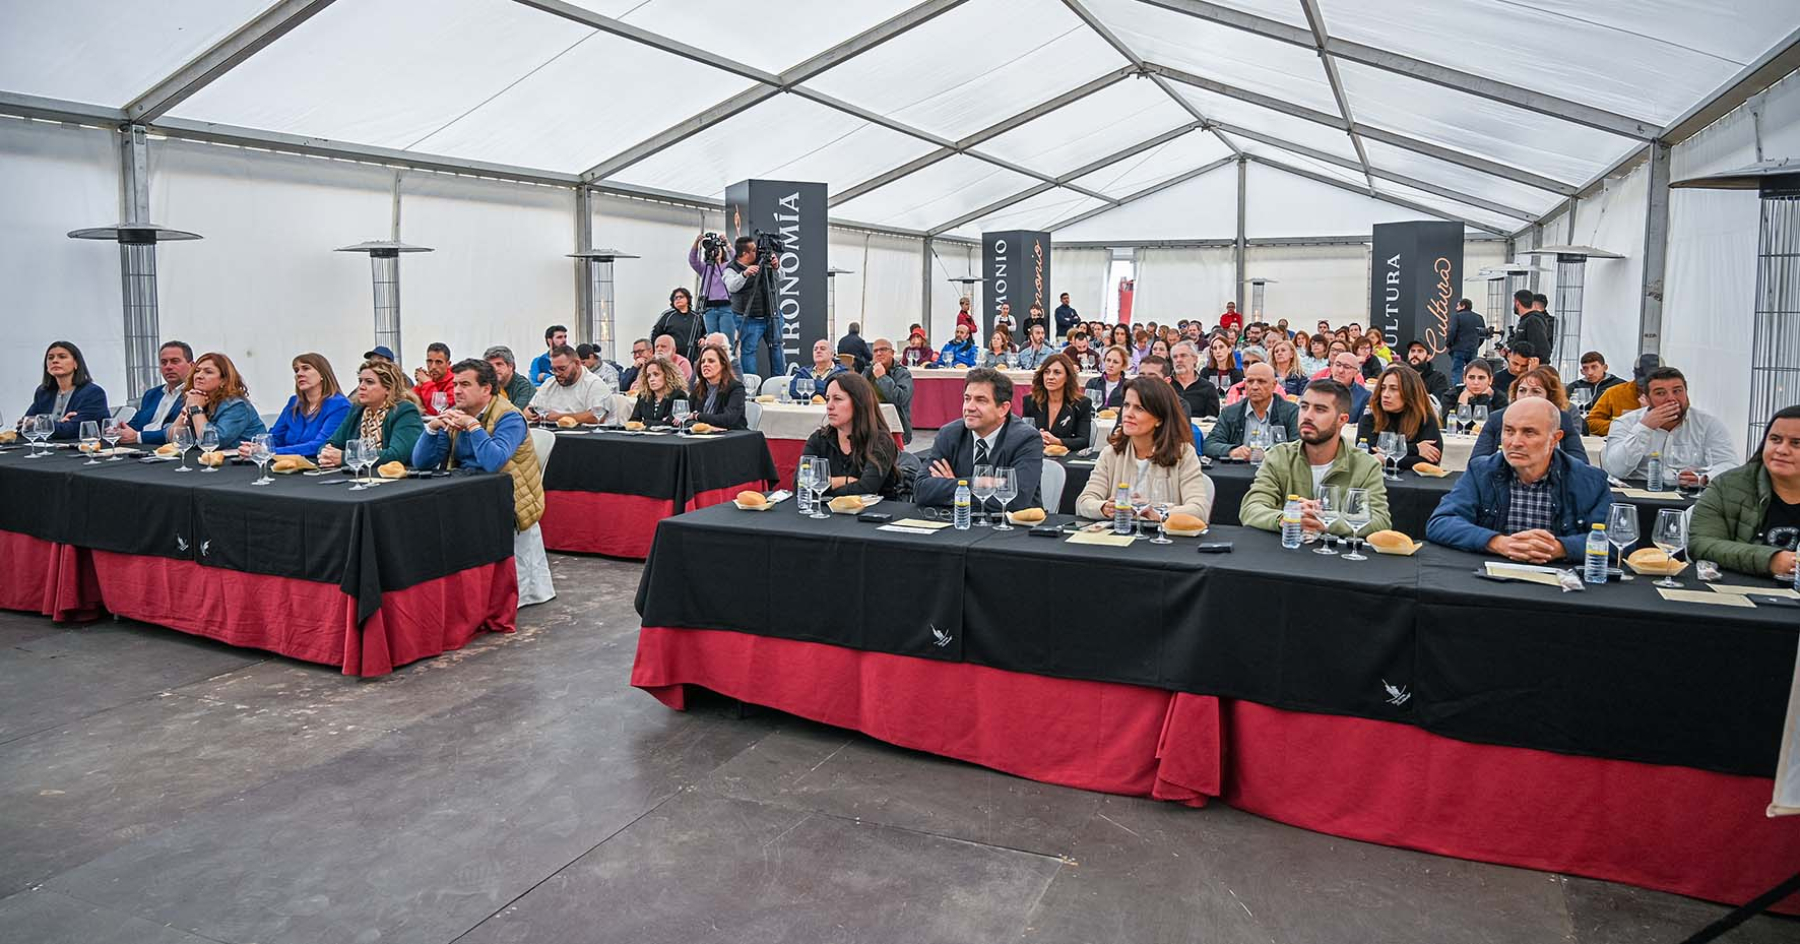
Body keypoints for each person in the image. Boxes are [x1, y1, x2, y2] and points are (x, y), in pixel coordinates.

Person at [411, 358, 552, 606]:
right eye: (455, 385)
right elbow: (422, 463)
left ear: (486, 389)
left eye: (465, 384)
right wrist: (433, 429)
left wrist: (474, 427)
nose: (456, 391)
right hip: (466, 490)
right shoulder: (459, 415)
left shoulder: (510, 417)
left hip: (509, 495)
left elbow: (494, 461)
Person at [1426, 398, 1610, 562]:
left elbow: (1614, 541)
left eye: (1529, 433)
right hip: (1492, 580)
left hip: (1563, 584)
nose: (1515, 442)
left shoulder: (1589, 480)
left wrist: (1560, 548)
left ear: (1555, 438)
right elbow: (1441, 522)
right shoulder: (1481, 471)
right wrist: (1498, 542)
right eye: (1509, 431)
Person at [1240, 380, 1390, 537]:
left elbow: (1380, 521)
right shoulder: (1279, 456)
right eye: (1304, 407)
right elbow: (1250, 508)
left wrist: (1326, 521)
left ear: (1342, 420)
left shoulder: (1365, 465)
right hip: (1286, 554)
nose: (1308, 416)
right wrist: (1285, 519)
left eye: (1320, 410)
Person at [1074, 378, 1214, 523]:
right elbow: (1083, 502)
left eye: (1139, 408)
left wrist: (1157, 511)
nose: (1128, 413)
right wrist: (1104, 507)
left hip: (1167, 542)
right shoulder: (1110, 453)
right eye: (1126, 405)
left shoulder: (1183, 453)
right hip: (1120, 539)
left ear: (1160, 418)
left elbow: (1199, 510)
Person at [1690, 406, 1800, 579]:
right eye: (1775, 439)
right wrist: (1770, 560)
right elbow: (1702, 544)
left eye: (1796, 443)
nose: (1781, 450)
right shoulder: (1726, 486)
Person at [915, 367, 1044, 511]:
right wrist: (974, 483)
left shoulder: (1026, 439)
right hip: (959, 524)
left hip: (1012, 528)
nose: (969, 407)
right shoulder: (949, 434)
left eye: (980, 400)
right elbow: (921, 490)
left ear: (1003, 408)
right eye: (967, 398)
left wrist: (952, 486)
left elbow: (1017, 499)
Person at [1600, 366, 1739, 485]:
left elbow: (1729, 465)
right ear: (1647, 399)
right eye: (1660, 393)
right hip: (1638, 497)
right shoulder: (1625, 423)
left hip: (1691, 497)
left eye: (1677, 391)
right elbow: (1616, 469)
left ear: (1686, 393)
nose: (1671, 398)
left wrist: (1705, 478)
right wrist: (1645, 428)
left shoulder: (1708, 424)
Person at [801, 372, 901, 498]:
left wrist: (821, 487)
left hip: (871, 514)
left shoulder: (880, 441)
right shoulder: (819, 439)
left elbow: (866, 489)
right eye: (827, 399)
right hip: (826, 513)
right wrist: (845, 481)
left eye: (837, 399)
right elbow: (800, 486)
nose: (829, 406)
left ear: (858, 402)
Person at [1470, 367, 1589, 464]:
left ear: (1549, 396)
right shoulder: (1497, 418)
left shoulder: (1562, 419)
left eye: (1536, 391)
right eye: (1522, 390)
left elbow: (1580, 462)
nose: (1527, 396)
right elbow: (1476, 462)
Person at [321, 360, 424, 468]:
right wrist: (326, 454)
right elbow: (332, 442)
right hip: (360, 476)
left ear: (388, 389)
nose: (361, 386)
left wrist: (346, 457)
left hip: (397, 479)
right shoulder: (358, 409)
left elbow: (396, 455)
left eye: (369, 382)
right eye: (360, 381)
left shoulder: (405, 411)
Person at [250, 353, 351, 457]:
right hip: (285, 464)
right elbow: (275, 438)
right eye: (296, 370)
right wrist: (256, 448)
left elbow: (321, 445)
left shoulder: (339, 405)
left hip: (318, 466)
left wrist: (272, 452)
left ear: (322, 374)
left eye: (306, 368)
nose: (299, 374)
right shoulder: (294, 403)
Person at [167, 351, 266, 448]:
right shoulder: (198, 399)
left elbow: (211, 442)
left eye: (208, 372)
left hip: (244, 462)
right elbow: (174, 439)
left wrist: (195, 408)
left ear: (224, 380)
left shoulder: (236, 405)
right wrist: (188, 405)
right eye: (197, 371)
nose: (199, 376)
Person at [1203, 362, 1301, 460]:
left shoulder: (1291, 412)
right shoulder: (1230, 412)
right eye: (1250, 381)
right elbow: (1209, 445)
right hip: (1238, 472)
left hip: (1278, 472)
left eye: (1261, 381)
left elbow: (1298, 447)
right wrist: (1232, 451)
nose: (1254, 387)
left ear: (1274, 385)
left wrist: (1268, 455)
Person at [1355, 364, 1444, 471]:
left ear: (1410, 393)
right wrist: (1415, 449)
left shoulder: (1425, 420)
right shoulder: (1369, 420)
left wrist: (1384, 458)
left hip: (1415, 484)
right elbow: (1368, 457)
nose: (1385, 394)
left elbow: (1430, 461)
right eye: (1383, 388)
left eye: (1394, 389)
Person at [21, 340, 109, 440]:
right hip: (46, 449)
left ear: (76, 363)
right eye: (50, 358)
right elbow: (25, 425)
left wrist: (40, 423)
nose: (55, 361)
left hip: (81, 451)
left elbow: (74, 430)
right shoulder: (43, 392)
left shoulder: (93, 393)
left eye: (62, 357)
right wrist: (58, 425)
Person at [723, 235, 784, 377]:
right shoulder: (731, 268)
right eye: (754, 250)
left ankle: (780, 381)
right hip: (749, 317)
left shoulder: (764, 261)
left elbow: (780, 277)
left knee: (777, 347)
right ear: (745, 254)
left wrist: (776, 267)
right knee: (748, 351)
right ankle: (751, 386)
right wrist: (744, 274)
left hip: (772, 314)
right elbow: (731, 286)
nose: (758, 253)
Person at [118, 340, 193, 446]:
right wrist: (119, 430)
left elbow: (180, 432)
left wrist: (139, 437)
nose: (168, 367)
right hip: (138, 448)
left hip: (169, 449)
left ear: (192, 365)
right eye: (163, 362)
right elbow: (135, 424)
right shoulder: (152, 394)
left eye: (175, 361)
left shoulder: (193, 395)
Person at [526, 343, 614, 425]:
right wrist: (531, 415)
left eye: (562, 368)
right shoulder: (550, 382)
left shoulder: (594, 384)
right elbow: (528, 409)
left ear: (577, 364)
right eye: (554, 369)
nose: (557, 373)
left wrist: (558, 417)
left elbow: (596, 417)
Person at [1021, 352, 1092, 452]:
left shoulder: (1082, 403)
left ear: (1067, 377)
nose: (1050, 377)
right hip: (1036, 455)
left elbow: (1084, 441)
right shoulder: (1030, 401)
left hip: (1067, 459)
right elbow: (1022, 434)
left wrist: (1057, 441)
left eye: (1057, 372)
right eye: (1046, 372)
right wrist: (1035, 437)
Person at [1588, 353, 1658, 435]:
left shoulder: (1671, 397)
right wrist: (1622, 427)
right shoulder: (1615, 393)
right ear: (1634, 374)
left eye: (1653, 385)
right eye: (1642, 384)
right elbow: (1591, 422)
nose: (1646, 388)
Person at [690, 233, 736, 356]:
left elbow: (737, 259)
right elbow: (692, 260)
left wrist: (727, 244)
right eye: (713, 250)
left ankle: (730, 369)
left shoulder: (728, 266)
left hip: (726, 307)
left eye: (718, 249)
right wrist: (696, 243)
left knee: (727, 344)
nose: (716, 252)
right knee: (712, 344)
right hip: (709, 309)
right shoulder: (705, 267)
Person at [864, 337, 914, 445]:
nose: (879, 353)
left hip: (893, 426)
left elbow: (900, 399)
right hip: (869, 423)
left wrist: (882, 378)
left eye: (883, 350)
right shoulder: (867, 372)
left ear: (892, 353)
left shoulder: (902, 374)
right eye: (875, 351)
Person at [689, 344, 747, 429]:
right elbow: (684, 414)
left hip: (731, 436)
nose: (705, 364)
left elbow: (728, 419)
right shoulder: (698, 388)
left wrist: (697, 416)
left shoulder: (736, 388)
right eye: (702, 361)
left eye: (711, 361)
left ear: (723, 364)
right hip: (703, 435)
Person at [627, 356, 688, 427]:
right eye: (648, 376)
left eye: (656, 374)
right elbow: (633, 421)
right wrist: (660, 422)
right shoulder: (643, 396)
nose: (651, 379)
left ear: (667, 375)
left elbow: (670, 423)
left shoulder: (679, 395)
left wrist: (644, 422)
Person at [1444, 357, 1508, 423]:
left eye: (1481, 378)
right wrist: (1462, 401)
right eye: (1471, 377)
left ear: (1490, 380)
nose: (1476, 382)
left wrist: (1483, 398)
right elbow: (1449, 426)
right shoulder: (1450, 396)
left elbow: (1494, 426)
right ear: (1464, 379)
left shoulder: (1500, 398)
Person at [650, 287, 703, 366]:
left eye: (681, 297)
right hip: (671, 360)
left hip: (693, 359)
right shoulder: (667, 316)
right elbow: (655, 334)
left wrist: (703, 339)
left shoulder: (697, 317)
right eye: (675, 298)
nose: (678, 299)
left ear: (687, 299)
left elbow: (705, 332)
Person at [1169, 341, 1222, 419]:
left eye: (1183, 356)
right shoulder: (1166, 386)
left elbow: (1212, 420)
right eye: (1175, 357)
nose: (1178, 360)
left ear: (1195, 359)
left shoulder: (1208, 388)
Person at [1446, 299, 1486, 383]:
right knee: (1473, 371)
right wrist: (1477, 345)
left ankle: (1458, 391)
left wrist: (1449, 344)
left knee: (1457, 371)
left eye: (1458, 306)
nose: (1456, 308)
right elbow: (1483, 334)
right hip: (1473, 349)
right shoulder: (1479, 318)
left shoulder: (1457, 316)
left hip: (1458, 348)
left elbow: (1452, 331)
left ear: (1463, 306)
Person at [1328, 351, 1373, 422]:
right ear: (1331, 367)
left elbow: (1362, 425)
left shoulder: (1365, 396)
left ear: (1356, 373)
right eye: (1338, 364)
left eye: (1347, 367)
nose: (1340, 370)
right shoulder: (1315, 387)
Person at [1512, 289, 1553, 364]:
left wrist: (1534, 367)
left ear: (1517, 303)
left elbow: (1542, 349)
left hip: (1531, 370)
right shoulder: (1526, 321)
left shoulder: (1533, 321)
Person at [1084, 345, 1130, 410]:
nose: (1110, 365)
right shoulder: (1092, 383)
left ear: (1123, 366)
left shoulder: (1128, 386)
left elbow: (1128, 409)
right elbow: (1086, 406)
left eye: (1115, 362)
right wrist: (1109, 409)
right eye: (1108, 360)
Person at [413, 342, 454, 415]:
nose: (433, 366)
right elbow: (410, 405)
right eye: (429, 361)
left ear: (448, 364)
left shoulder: (454, 382)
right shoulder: (428, 380)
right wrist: (419, 385)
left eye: (438, 362)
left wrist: (427, 383)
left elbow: (439, 410)